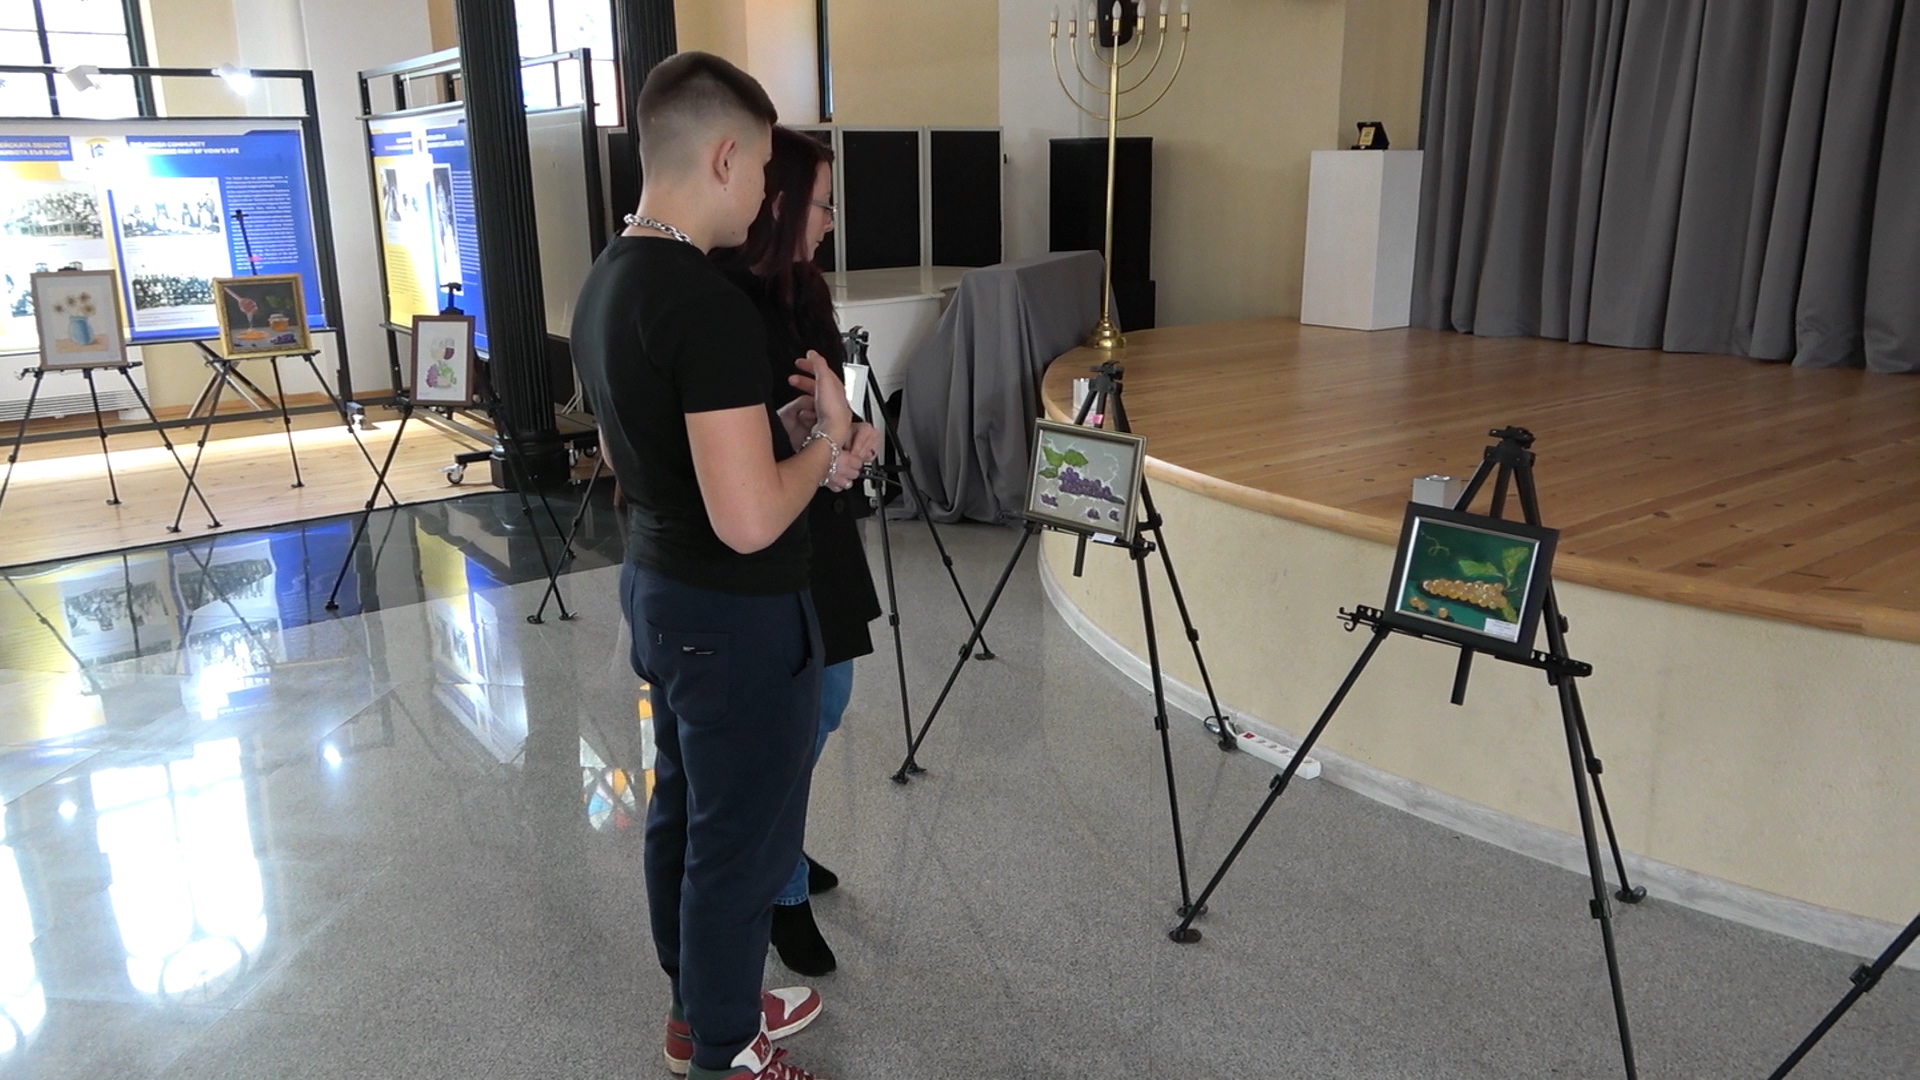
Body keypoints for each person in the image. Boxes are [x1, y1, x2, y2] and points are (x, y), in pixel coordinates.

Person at [570, 53, 865, 1080]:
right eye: (766, 171)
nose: (767, 196)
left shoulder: (608, 280)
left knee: (686, 813)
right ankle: (728, 1052)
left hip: (659, 589)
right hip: (735, 613)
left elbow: (635, 455)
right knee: (740, 845)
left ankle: (701, 1011)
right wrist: (827, 440)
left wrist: (770, 432)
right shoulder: (705, 302)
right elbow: (747, 522)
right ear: (728, 157)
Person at [715, 126, 883, 979]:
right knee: (788, 720)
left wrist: (858, 432)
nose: (829, 220)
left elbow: (835, 400)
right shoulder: (720, 300)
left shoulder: (806, 289)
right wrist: (822, 442)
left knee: (829, 699)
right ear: (778, 203)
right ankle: (779, 887)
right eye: (821, 204)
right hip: (768, 534)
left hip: (823, 523)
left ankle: (783, 840)